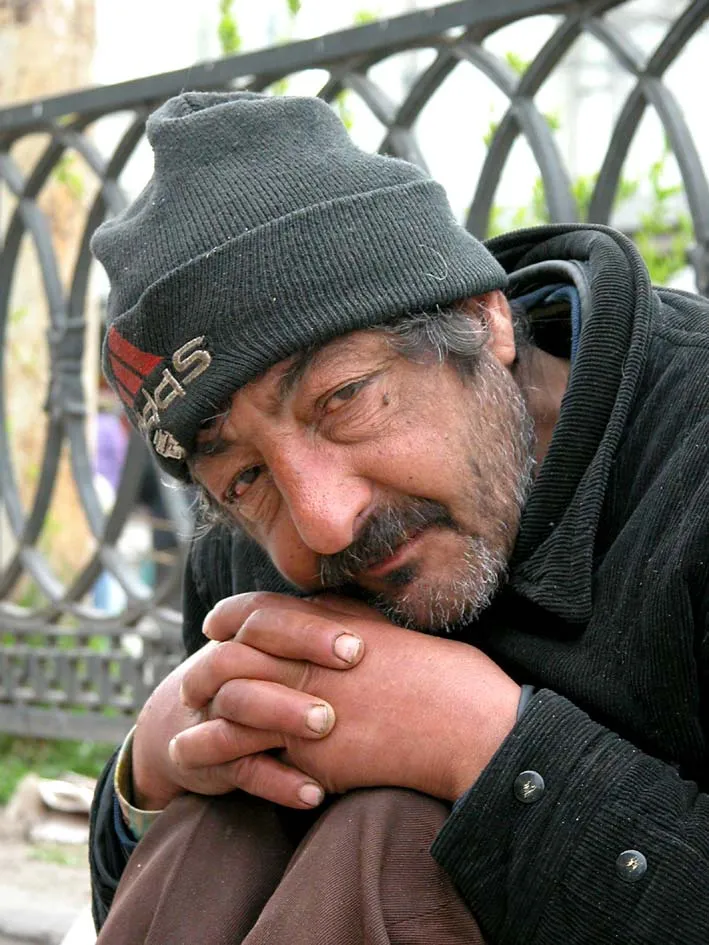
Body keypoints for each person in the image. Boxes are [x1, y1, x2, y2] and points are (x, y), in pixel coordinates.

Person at [87, 91, 709, 945]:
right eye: (244, 477)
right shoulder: (251, 554)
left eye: (343, 397)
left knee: (387, 829)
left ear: (481, 318)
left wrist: (487, 747)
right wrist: (146, 776)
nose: (323, 522)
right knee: (225, 811)